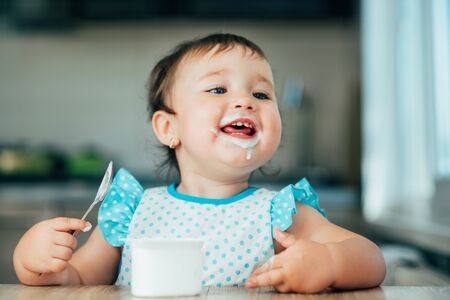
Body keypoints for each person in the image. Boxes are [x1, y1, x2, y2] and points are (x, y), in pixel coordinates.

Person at [13, 33, 386, 293]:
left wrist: (329, 263)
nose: (245, 101)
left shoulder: (282, 213)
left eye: (261, 93)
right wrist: (36, 263)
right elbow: (78, 281)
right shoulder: (133, 210)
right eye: (218, 89)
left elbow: (370, 259)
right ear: (168, 127)